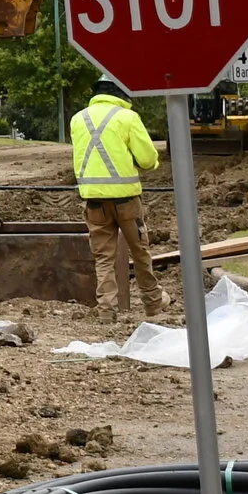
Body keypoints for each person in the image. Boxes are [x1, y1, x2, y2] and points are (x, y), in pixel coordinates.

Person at [72, 78, 165, 317]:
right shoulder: (127, 118)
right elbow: (146, 158)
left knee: (103, 258)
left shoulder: (77, 119)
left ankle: (106, 310)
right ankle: (153, 303)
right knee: (140, 253)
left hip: (94, 202)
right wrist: (151, 163)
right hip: (126, 201)